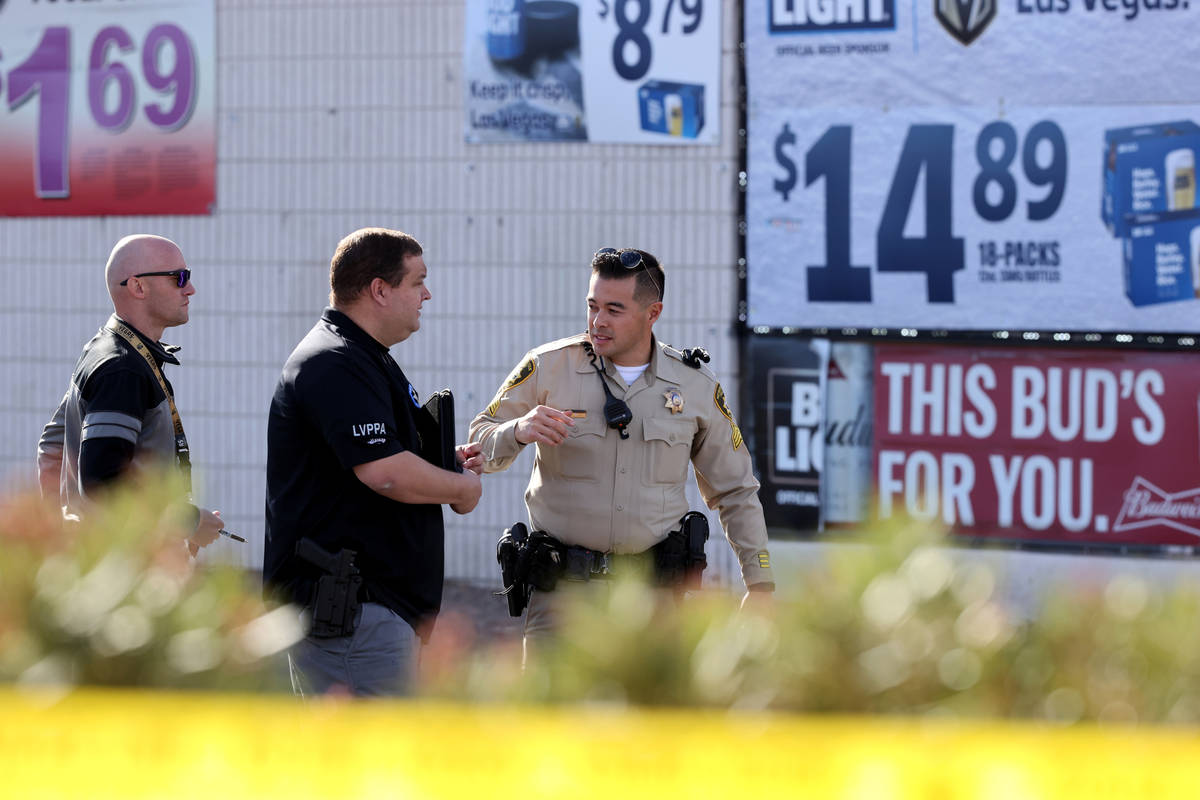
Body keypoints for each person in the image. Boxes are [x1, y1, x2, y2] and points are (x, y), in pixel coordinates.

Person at [469, 247, 775, 655]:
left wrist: (760, 583)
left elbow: (735, 489)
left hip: (652, 605)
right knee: (549, 720)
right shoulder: (548, 367)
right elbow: (478, 445)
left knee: (652, 720)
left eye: (614, 309)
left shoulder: (694, 385)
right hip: (562, 601)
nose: (598, 321)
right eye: (592, 306)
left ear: (653, 313)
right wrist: (517, 430)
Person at [263, 227, 483, 697]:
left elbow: (383, 457)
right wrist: (462, 488)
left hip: (370, 615)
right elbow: (383, 472)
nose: (428, 294)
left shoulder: (363, 356)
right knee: (367, 765)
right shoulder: (333, 361)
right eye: (417, 281)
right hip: (353, 617)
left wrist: (445, 466)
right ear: (379, 290)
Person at [36, 235, 224, 555]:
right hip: (126, 574)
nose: (190, 288)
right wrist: (188, 522)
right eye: (179, 278)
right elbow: (104, 487)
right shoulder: (122, 369)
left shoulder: (107, 352)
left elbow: (51, 447)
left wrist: (65, 532)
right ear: (137, 287)